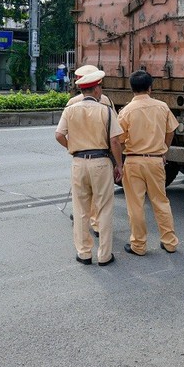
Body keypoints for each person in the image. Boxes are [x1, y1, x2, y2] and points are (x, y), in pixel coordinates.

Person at [54, 69, 124, 266]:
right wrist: (119, 165)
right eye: (100, 87)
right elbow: (115, 141)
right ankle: (104, 255)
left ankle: (84, 253)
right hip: (101, 162)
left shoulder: (70, 109)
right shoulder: (106, 110)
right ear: (96, 90)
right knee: (104, 209)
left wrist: (73, 148)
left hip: (79, 163)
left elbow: (59, 135)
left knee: (81, 209)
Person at [117, 70, 180, 256]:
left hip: (134, 160)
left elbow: (119, 140)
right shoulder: (162, 107)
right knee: (161, 201)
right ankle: (170, 242)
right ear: (150, 88)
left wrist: (119, 162)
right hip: (156, 160)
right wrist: (164, 150)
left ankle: (139, 245)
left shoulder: (126, 111)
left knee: (135, 204)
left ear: (131, 89)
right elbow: (171, 132)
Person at [65, 64, 115, 238]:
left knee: (81, 199)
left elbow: (62, 133)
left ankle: (84, 248)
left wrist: (72, 148)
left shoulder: (72, 103)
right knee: (100, 197)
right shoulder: (106, 101)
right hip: (102, 155)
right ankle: (98, 226)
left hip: (79, 157)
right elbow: (114, 133)